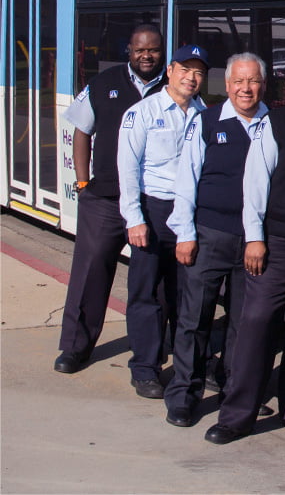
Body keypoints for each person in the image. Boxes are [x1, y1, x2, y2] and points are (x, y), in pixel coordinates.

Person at [204, 52, 285, 445]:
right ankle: (237, 415)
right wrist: (255, 238)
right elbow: (255, 184)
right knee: (256, 326)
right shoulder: (274, 124)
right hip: (276, 242)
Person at [163, 53, 269, 427]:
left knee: (245, 324)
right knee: (195, 319)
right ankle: (183, 395)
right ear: (226, 86)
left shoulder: (274, 124)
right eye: (238, 81)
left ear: (263, 84)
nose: (245, 88)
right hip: (209, 236)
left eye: (253, 81)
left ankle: (235, 392)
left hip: (256, 243)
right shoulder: (205, 122)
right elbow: (185, 182)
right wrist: (186, 234)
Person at [54, 24, 166, 374]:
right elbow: (81, 131)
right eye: (139, 50)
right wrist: (83, 182)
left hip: (151, 202)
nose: (146, 56)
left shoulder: (174, 86)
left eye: (153, 50)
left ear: (162, 51)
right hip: (103, 199)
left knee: (153, 281)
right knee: (90, 272)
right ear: (128, 51)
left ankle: (153, 352)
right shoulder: (104, 84)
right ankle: (75, 347)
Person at [117, 44, 209, 399]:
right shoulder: (142, 112)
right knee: (146, 294)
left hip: (190, 215)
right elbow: (128, 170)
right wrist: (134, 219)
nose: (192, 77)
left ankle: (187, 366)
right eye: (185, 69)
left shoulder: (204, 115)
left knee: (185, 295)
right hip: (153, 211)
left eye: (199, 72)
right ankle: (145, 368)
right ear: (170, 70)